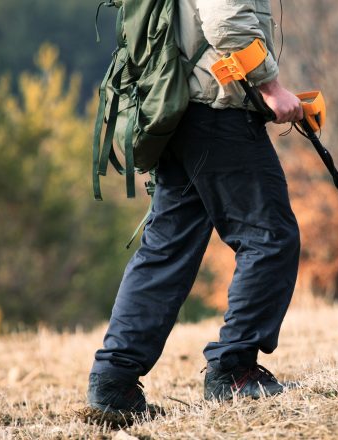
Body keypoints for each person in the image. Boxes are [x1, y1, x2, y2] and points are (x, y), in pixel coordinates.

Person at [86, 0, 303, 415]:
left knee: (166, 250)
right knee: (269, 237)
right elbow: (226, 19)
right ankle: (234, 371)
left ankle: (114, 381)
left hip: (179, 111)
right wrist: (270, 86)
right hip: (215, 108)